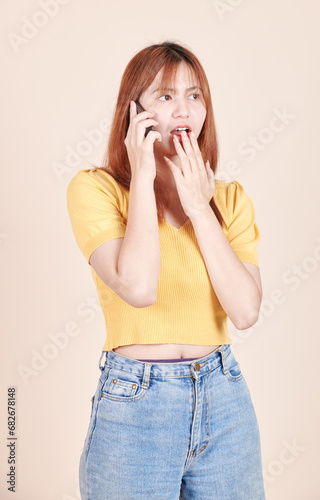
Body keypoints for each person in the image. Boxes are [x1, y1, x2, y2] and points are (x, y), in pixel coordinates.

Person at [66, 40, 266, 500]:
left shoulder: (230, 199)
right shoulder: (95, 190)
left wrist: (199, 207)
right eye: (165, 96)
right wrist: (141, 176)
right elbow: (137, 287)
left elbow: (246, 310)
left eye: (194, 96)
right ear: (133, 109)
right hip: (135, 405)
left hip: (224, 398)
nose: (184, 110)